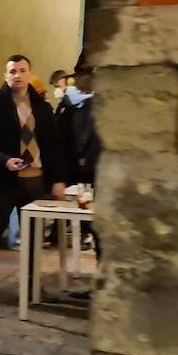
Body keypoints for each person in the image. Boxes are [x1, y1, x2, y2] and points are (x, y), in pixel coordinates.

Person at [0, 55, 68, 302]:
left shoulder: (42, 108)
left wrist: (57, 179)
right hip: (3, 180)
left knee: (34, 236)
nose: (17, 75)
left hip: (35, 179)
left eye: (22, 70)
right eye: (12, 71)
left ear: (29, 74)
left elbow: (53, 146)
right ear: (6, 76)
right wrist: (4, 159)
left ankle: (33, 284)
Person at [57, 67, 101, 257]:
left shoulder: (88, 107)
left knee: (89, 203)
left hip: (87, 165)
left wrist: (81, 156)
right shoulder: (72, 106)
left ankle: (89, 233)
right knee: (85, 203)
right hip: (82, 165)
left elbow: (85, 136)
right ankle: (85, 232)